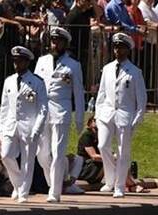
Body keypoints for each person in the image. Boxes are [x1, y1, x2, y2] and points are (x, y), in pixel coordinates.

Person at [34, 27, 85, 202]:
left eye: (58, 41)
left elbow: (78, 93)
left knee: (57, 152)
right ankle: (56, 182)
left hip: (61, 109)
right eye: (53, 41)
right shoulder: (41, 61)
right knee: (42, 154)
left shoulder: (73, 65)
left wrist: (79, 119)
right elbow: (34, 87)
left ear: (65, 43)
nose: (55, 44)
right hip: (42, 110)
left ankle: (54, 192)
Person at [95, 32, 147, 198]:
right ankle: (110, 179)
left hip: (125, 115)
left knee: (123, 151)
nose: (118, 50)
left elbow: (141, 100)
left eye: (121, 47)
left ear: (128, 50)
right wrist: (98, 113)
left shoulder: (135, 72)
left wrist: (137, 120)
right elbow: (101, 93)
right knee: (103, 146)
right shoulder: (108, 68)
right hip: (107, 113)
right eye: (116, 47)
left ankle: (119, 186)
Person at [0, 46, 48, 204]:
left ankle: (24, 192)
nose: (16, 64)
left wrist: (37, 129)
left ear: (27, 62)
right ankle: (19, 184)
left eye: (20, 61)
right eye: (14, 61)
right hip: (10, 125)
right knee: (6, 155)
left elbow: (42, 108)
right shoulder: (9, 81)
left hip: (29, 126)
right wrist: (2, 129)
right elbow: (5, 108)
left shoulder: (37, 82)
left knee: (28, 160)